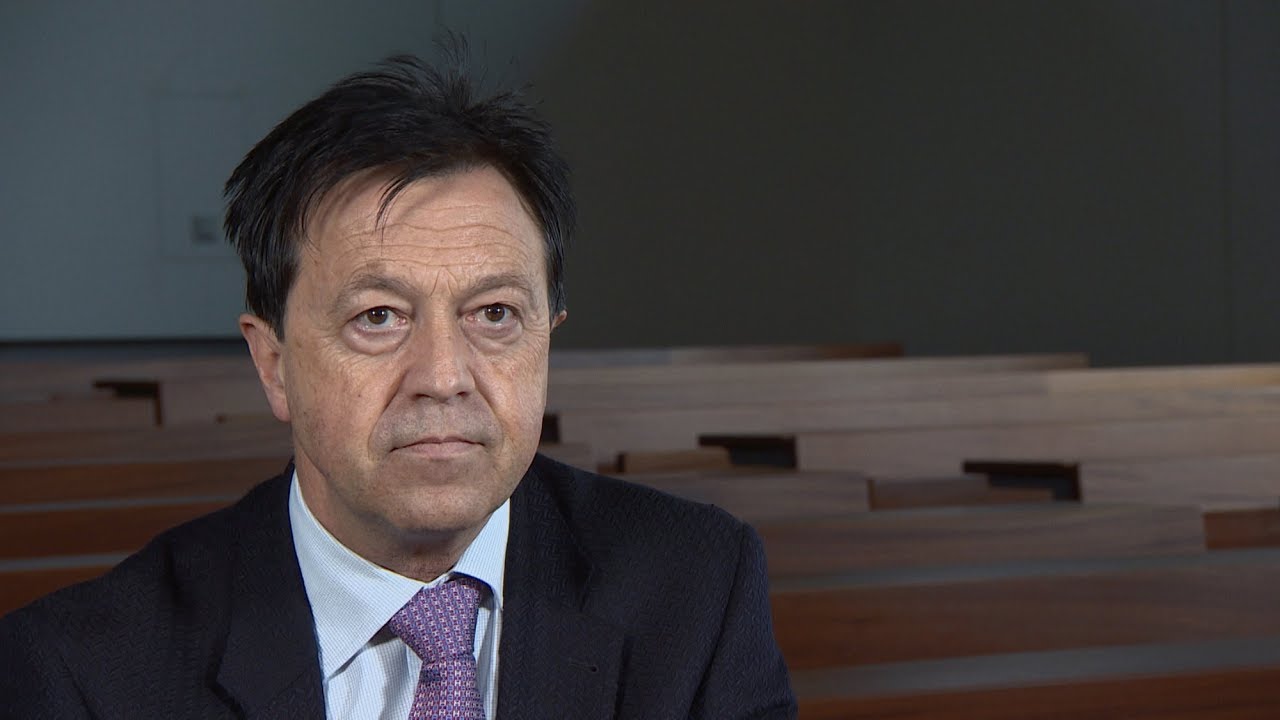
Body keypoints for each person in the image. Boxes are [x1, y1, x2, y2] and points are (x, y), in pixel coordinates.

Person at [0, 51, 796, 719]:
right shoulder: (83, 673)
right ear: (274, 364)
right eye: (378, 317)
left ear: (547, 335)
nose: (444, 378)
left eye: (494, 313)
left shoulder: (697, 587)